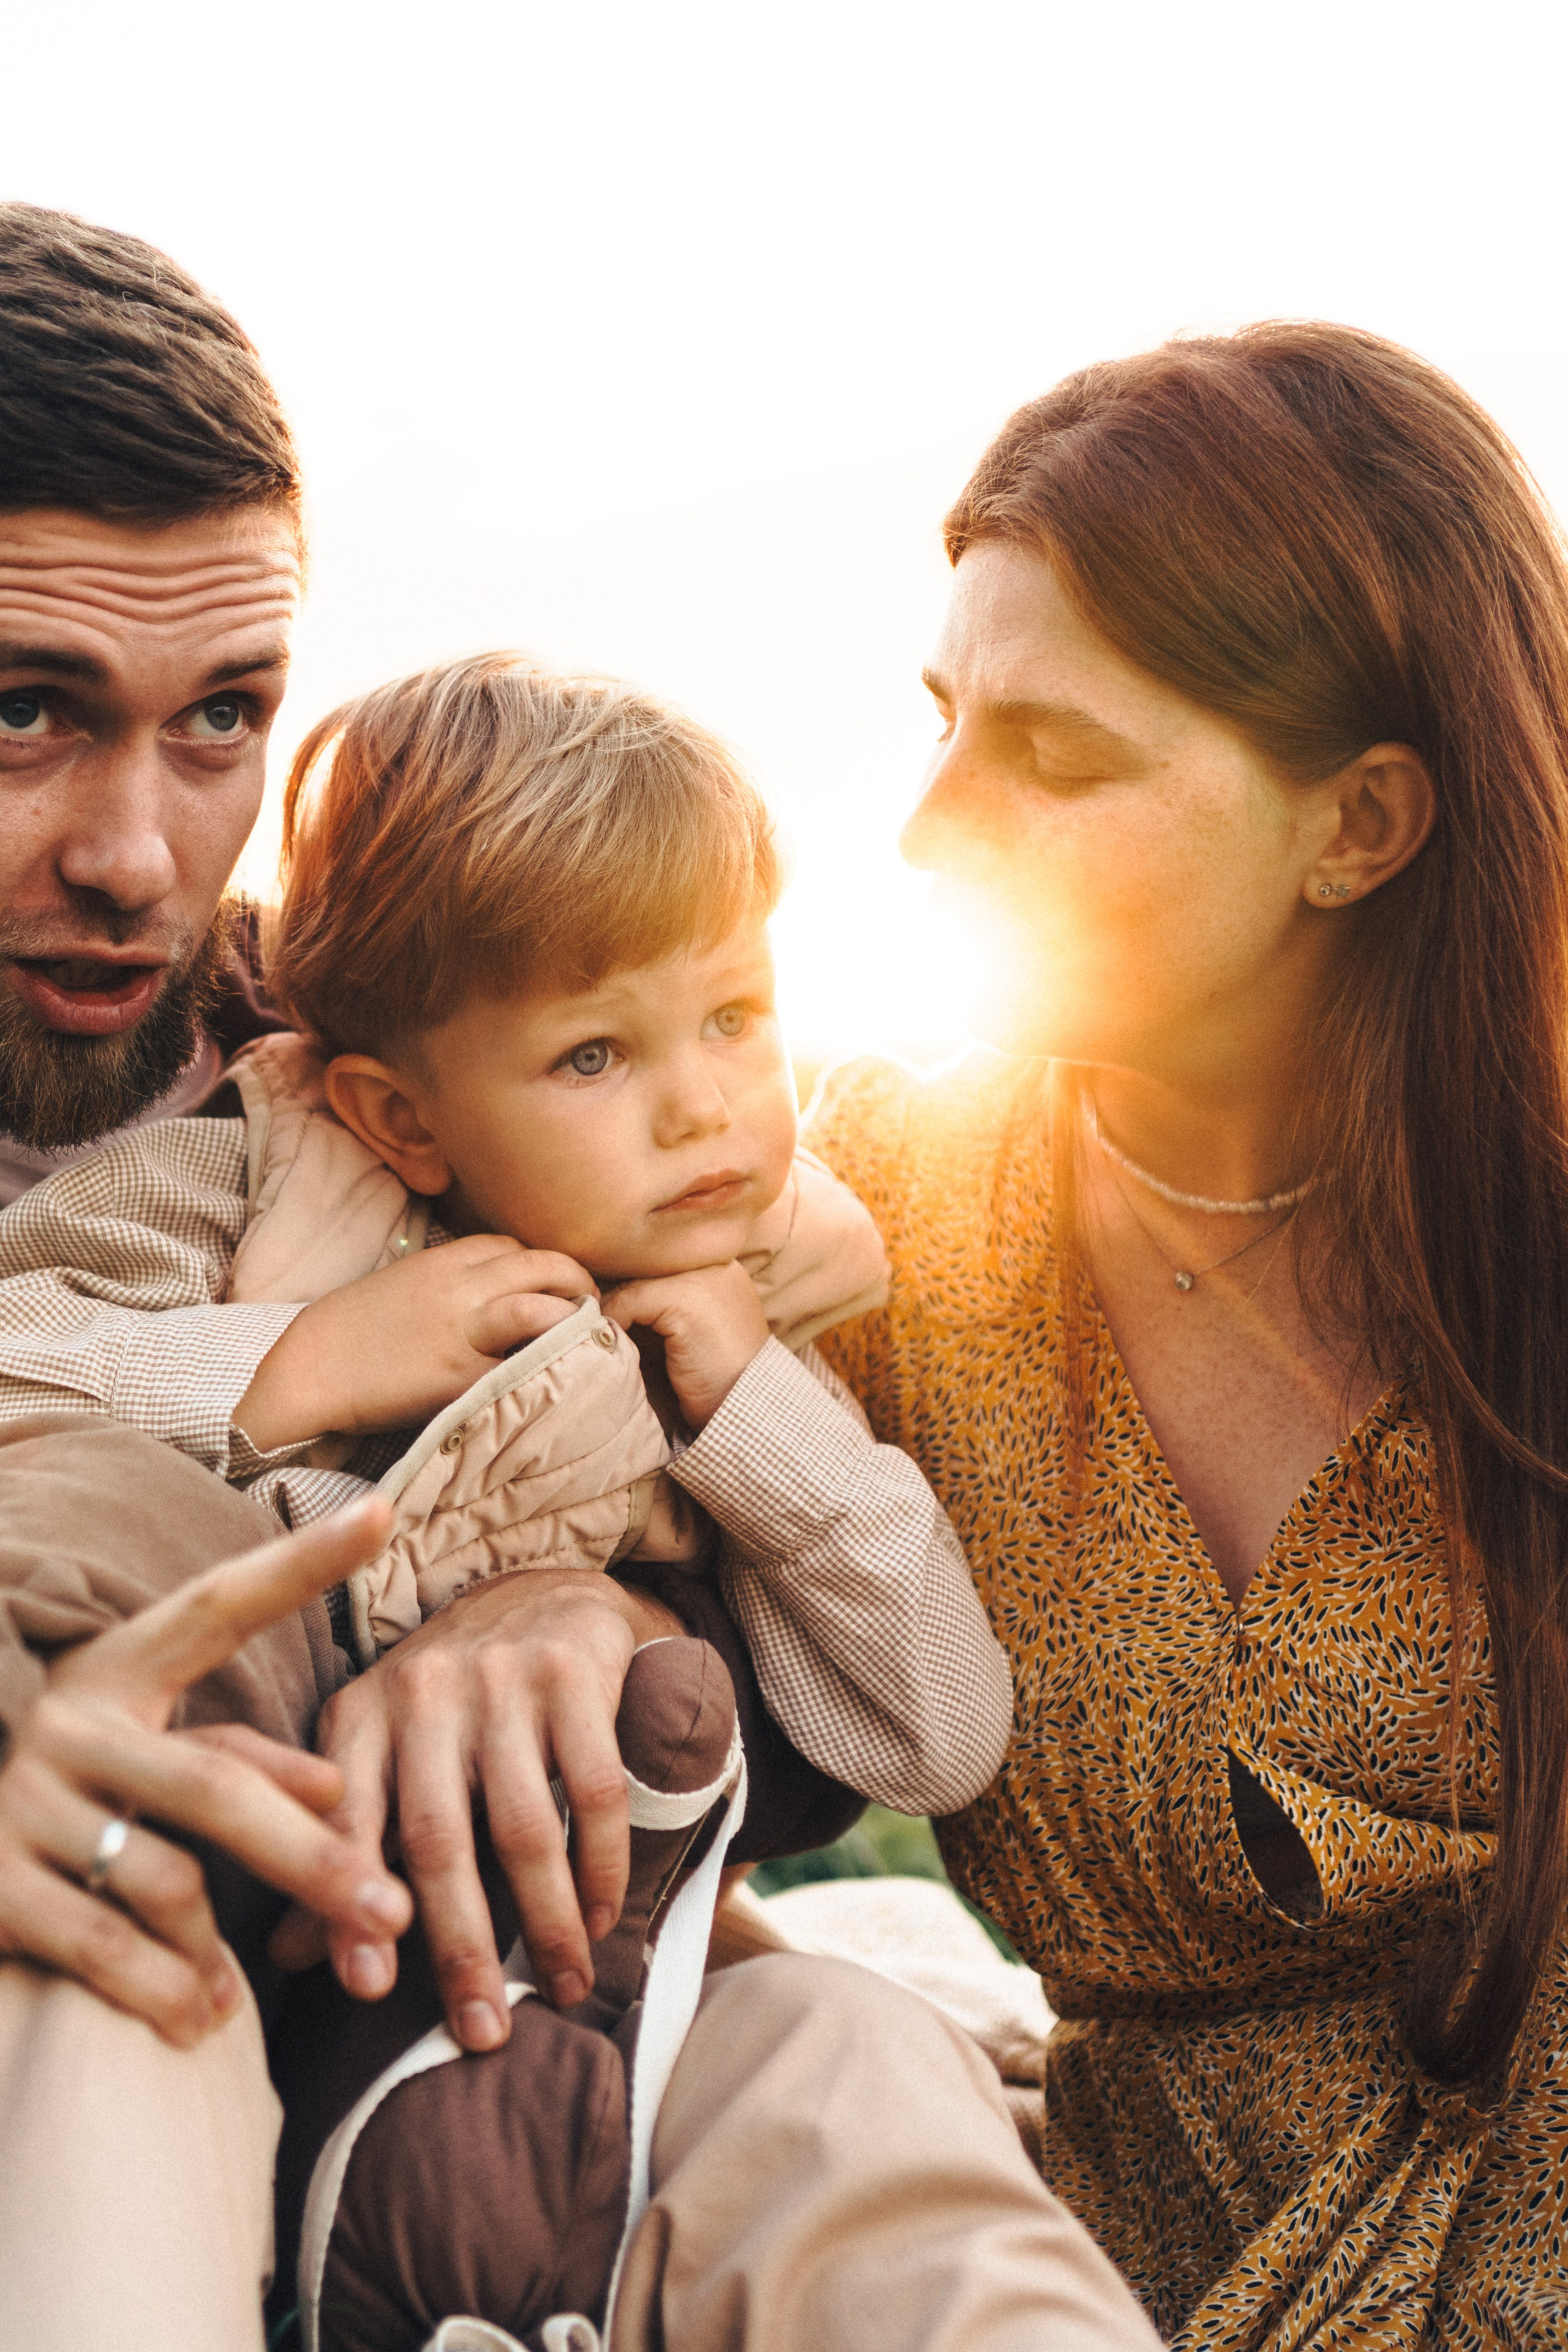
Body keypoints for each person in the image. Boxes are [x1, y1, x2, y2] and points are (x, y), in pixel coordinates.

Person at [0, 204, 1160, 2352]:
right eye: (24, 712)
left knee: (861, 2079)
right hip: (142, 1935)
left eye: (224, 719)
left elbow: (878, 1711)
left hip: (542, 1990)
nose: (138, 857)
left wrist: (581, 1598)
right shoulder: (227, 1197)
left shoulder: (341, 1064)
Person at [805, 323, 1568, 2345]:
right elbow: (726, 1676)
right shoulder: (886, 1198)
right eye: (943, 720)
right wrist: (566, 1613)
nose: (932, 826)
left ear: (1363, 827)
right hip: (1088, 2280)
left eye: (1054, 758)